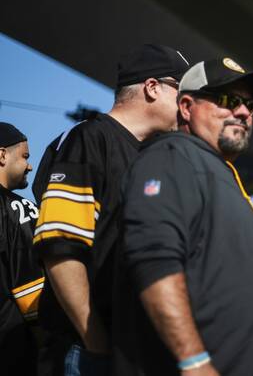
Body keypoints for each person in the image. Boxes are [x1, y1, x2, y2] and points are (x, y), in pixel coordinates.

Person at [113, 58, 253, 375]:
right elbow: (154, 259)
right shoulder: (172, 157)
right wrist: (193, 360)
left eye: (249, 105)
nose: (242, 112)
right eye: (228, 100)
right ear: (186, 106)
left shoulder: (219, 175)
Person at [32, 44, 190, 376]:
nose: (189, 106)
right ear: (151, 88)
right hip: (84, 352)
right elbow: (60, 249)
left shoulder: (150, 157)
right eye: (183, 92)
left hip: (126, 354)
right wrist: (96, 343)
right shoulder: (89, 139)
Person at [0, 123, 44, 376]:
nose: (29, 165)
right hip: (13, 351)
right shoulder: (19, 208)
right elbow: (30, 288)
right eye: (25, 157)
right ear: (2, 155)